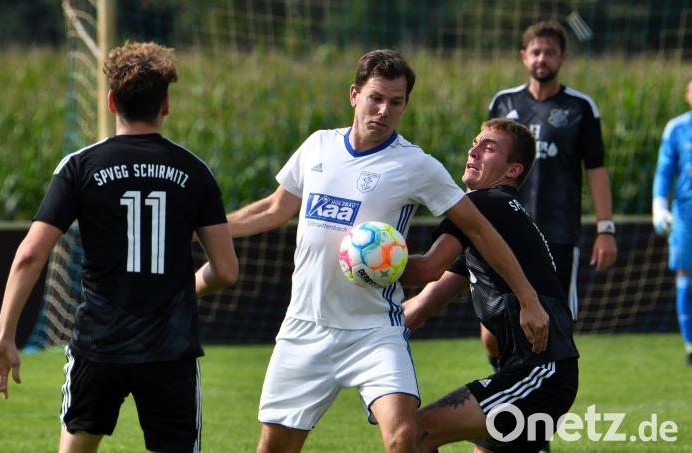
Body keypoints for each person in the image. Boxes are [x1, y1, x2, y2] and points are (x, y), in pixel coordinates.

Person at [225, 49, 547, 453]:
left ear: (405, 105)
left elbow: (481, 229)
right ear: (354, 95)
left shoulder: (416, 165)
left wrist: (528, 298)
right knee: (274, 448)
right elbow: (273, 209)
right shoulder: (318, 146)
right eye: (375, 98)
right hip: (305, 326)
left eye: (395, 102)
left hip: (375, 329)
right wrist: (206, 230)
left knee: (403, 437)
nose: (384, 110)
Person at [0, 41, 238, 453]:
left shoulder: (79, 167)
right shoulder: (195, 171)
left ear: (111, 101)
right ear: (165, 105)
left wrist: (4, 336)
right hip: (169, 350)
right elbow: (226, 270)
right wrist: (185, 287)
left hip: (98, 346)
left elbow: (30, 254)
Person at [402, 118, 579, 453]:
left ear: (513, 170)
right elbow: (424, 303)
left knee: (415, 433)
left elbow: (426, 268)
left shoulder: (485, 204)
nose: (474, 151)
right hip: (536, 374)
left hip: (539, 374)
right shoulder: (492, 223)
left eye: (489, 147)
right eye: (475, 144)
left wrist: (371, 265)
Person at [484, 19, 616, 371]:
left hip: (556, 235)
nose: (542, 58)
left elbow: (596, 169)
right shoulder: (504, 102)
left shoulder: (580, 107)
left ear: (563, 57)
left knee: (554, 325)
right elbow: (482, 163)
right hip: (503, 232)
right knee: (491, 332)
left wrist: (606, 229)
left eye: (550, 52)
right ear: (524, 56)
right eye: (536, 52)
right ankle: (509, 381)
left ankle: (541, 390)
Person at [652, 75, 692, 367]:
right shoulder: (677, 128)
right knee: (686, 279)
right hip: (686, 215)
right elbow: (664, 169)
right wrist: (659, 204)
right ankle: (691, 344)